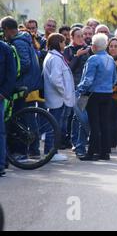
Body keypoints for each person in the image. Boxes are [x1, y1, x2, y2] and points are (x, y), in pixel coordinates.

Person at [77, 34, 117, 161]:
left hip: (94, 94)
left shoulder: (93, 59)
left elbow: (88, 79)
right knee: (105, 122)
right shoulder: (110, 59)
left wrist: (79, 90)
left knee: (94, 123)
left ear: (94, 46)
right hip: (108, 93)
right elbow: (114, 78)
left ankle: (92, 152)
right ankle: (105, 152)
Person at [43, 33, 76, 162]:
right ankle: (51, 152)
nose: (64, 44)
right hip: (57, 97)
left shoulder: (54, 56)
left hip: (57, 97)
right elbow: (56, 79)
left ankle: (51, 151)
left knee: (53, 124)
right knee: (54, 125)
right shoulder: (55, 58)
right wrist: (64, 92)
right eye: (63, 42)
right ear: (58, 43)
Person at [64, 28, 91, 157]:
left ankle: (76, 141)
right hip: (73, 86)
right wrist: (77, 56)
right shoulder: (68, 50)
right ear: (72, 37)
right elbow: (68, 69)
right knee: (78, 116)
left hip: (84, 88)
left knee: (78, 116)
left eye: (82, 36)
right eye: (78, 36)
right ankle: (76, 142)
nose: (81, 38)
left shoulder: (88, 49)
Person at [0, 40, 17, 176]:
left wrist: (4, 93)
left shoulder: (5, 48)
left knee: (0, 131)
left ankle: (0, 164)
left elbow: (11, 74)